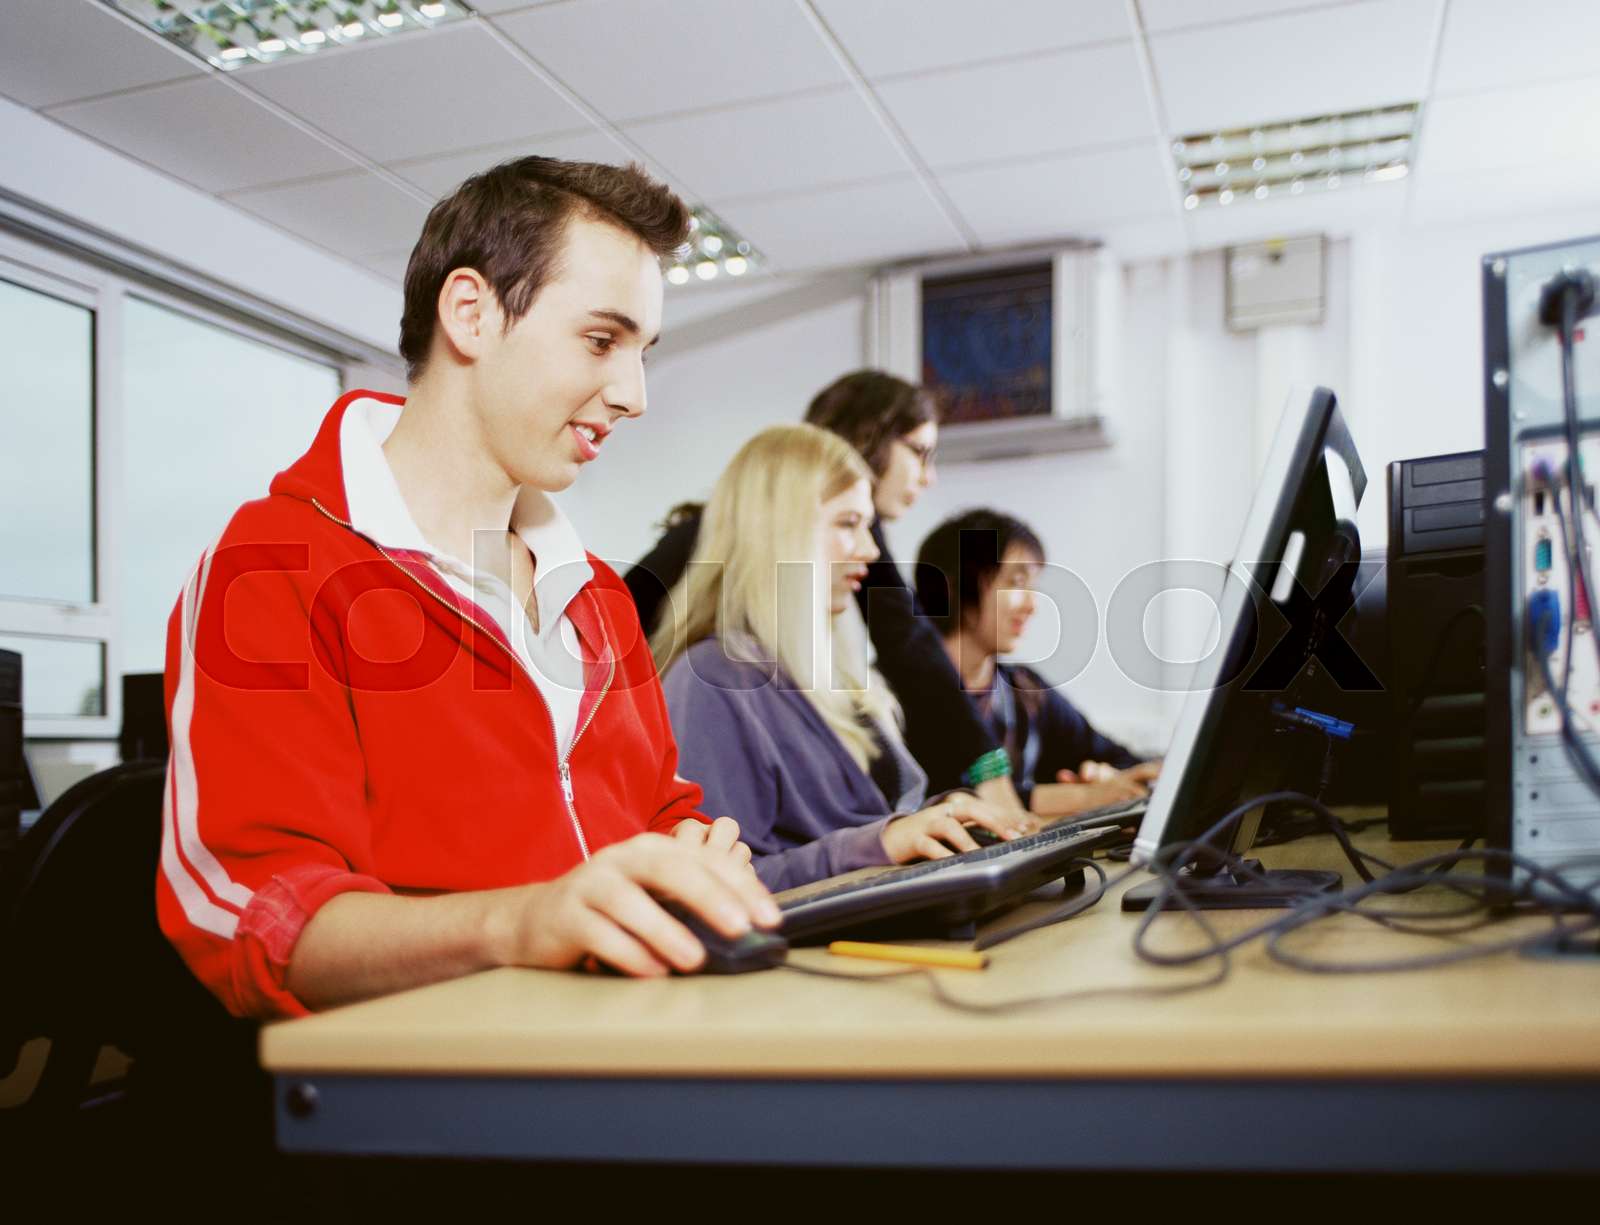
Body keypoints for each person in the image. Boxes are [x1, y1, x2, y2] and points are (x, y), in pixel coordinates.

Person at [156, 157, 778, 1021]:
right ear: (471, 313)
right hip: (416, 1104)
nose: (633, 395)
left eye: (643, 353)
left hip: (629, 1044)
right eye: (602, 341)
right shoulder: (270, 567)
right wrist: (522, 923)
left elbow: (657, 804)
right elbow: (255, 916)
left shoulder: (594, 593)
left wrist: (690, 848)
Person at [653, 426, 1032, 892]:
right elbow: (718, 883)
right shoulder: (710, 679)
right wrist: (881, 842)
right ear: (779, 532)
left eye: (868, 527)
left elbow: (864, 824)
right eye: (849, 525)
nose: (871, 551)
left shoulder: (836, 675)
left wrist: (943, 814)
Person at [626, 371, 1023, 803]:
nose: (929, 478)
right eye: (920, 453)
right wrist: (990, 772)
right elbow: (909, 645)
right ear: (871, 436)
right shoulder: (709, 669)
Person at [915, 509, 1160, 817]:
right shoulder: (893, 698)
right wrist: (1080, 798)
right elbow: (943, 796)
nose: (1032, 605)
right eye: (1016, 583)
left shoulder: (1023, 689)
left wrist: (1105, 775)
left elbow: (1113, 756)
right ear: (955, 585)